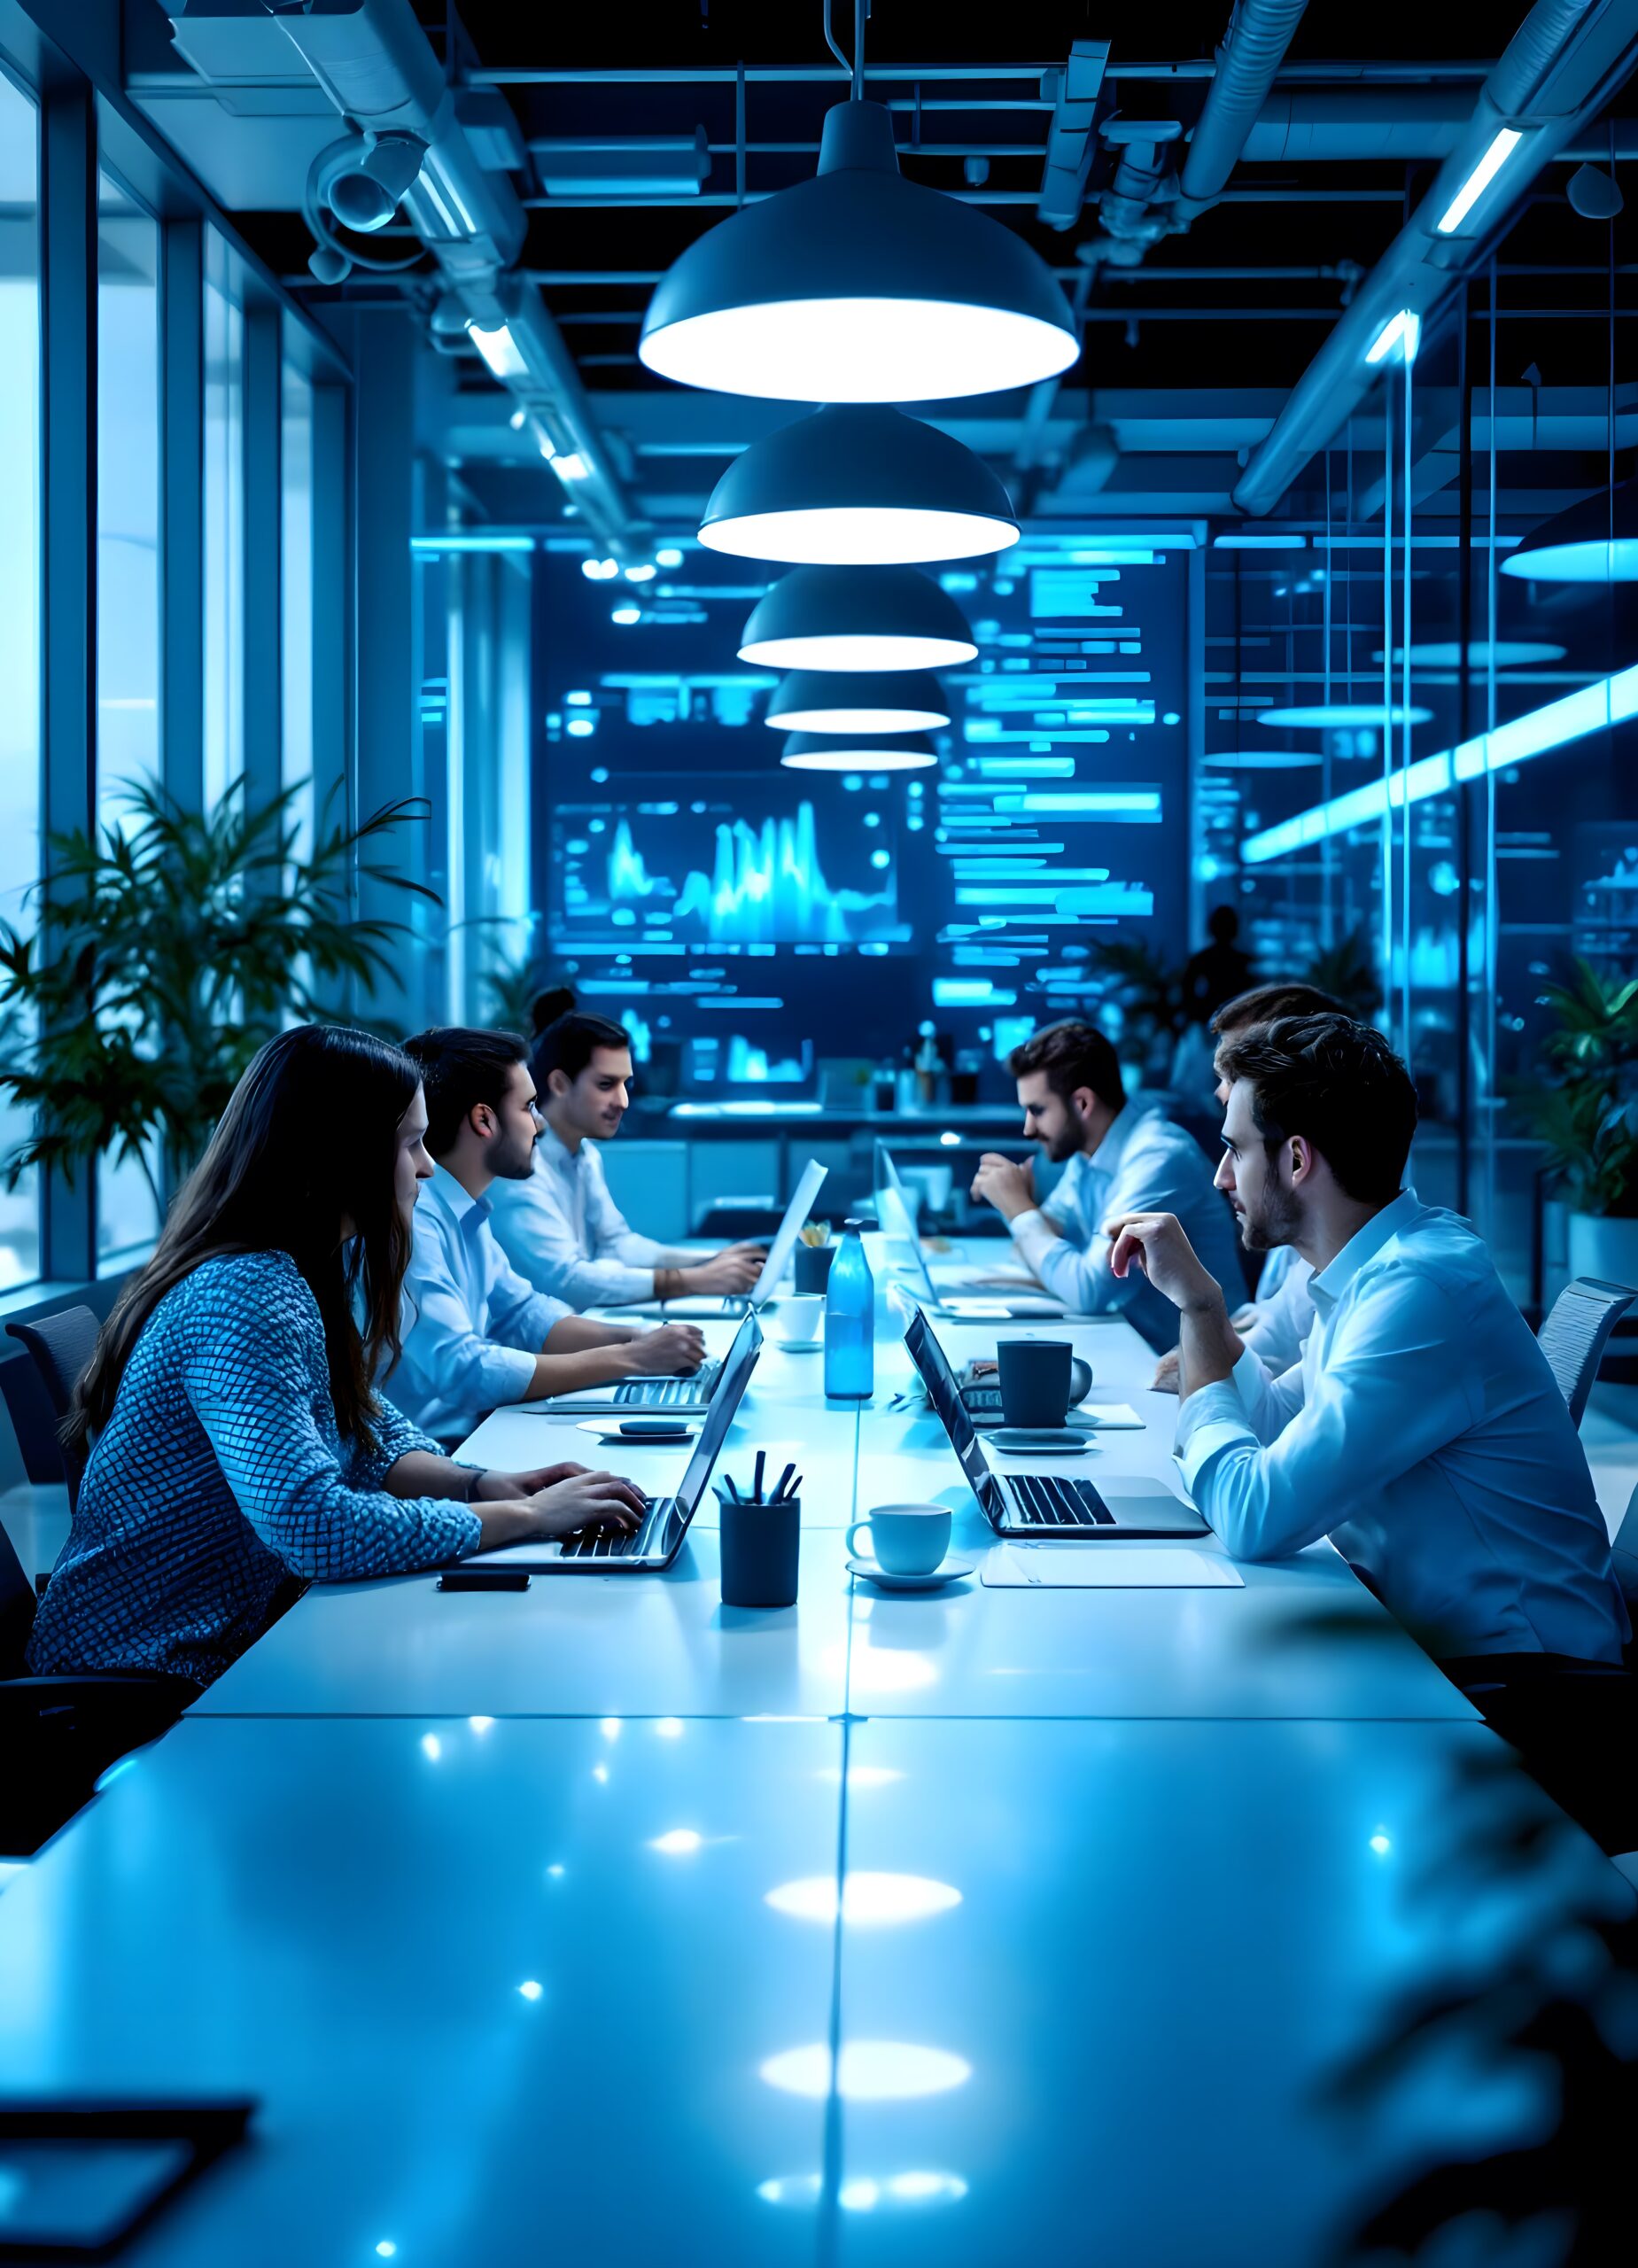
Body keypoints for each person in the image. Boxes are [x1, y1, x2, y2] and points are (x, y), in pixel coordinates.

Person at [27, 1027, 648, 1691]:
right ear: (342, 1153)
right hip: (148, 1672)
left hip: (232, 1638)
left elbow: (369, 1432)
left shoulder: (295, 1271)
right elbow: (314, 1526)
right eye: (411, 1143)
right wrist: (527, 1519)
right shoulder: (244, 1294)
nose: (427, 1166)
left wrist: (482, 1485)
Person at [1106, 1013, 1630, 1673]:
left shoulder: (1418, 1291)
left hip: (1522, 1684)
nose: (1220, 1179)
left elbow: (1253, 1516)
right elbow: (1271, 1426)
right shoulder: (1372, 1272)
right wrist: (1203, 1308)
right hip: (1429, 1652)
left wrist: (1200, 1307)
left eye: (1235, 1149)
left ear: (1296, 1160)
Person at [391, 1028, 708, 1442]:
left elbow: (523, 1314)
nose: (540, 1123)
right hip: (437, 1454)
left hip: (482, 1431)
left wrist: (640, 1339)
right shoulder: (418, 1220)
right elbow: (464, 1370)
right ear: (484, 1120)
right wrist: (628, 1359)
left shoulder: (464, 1211)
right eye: (528, 1107)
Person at [968, 1020, 1244, 1350]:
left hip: (1194, 1366)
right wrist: (1027, 1216)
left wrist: (1019, 1210)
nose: (1028, 1129)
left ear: (1082, 1104)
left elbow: (1088, 1290)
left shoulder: (1158, 1158)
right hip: (1132, 1347)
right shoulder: (1087, 1156)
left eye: (1037, 1110)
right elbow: (1043, 1246)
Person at [488, 1009, 766, 1310]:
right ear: (559, 1084)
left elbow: (618, 1245)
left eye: (626, 1085)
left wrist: (712, 1262)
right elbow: (566, 1281)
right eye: (606, 1085)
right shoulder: (519, 1167)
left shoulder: (585, 1155)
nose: (623, 1102)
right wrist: (693, 1280)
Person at [1152, 980, 1340, 1392]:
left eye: (1243, 1067)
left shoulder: (1386, 1272)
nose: (1222, 1090)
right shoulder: (1305, 1234)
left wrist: (1203, 1314)